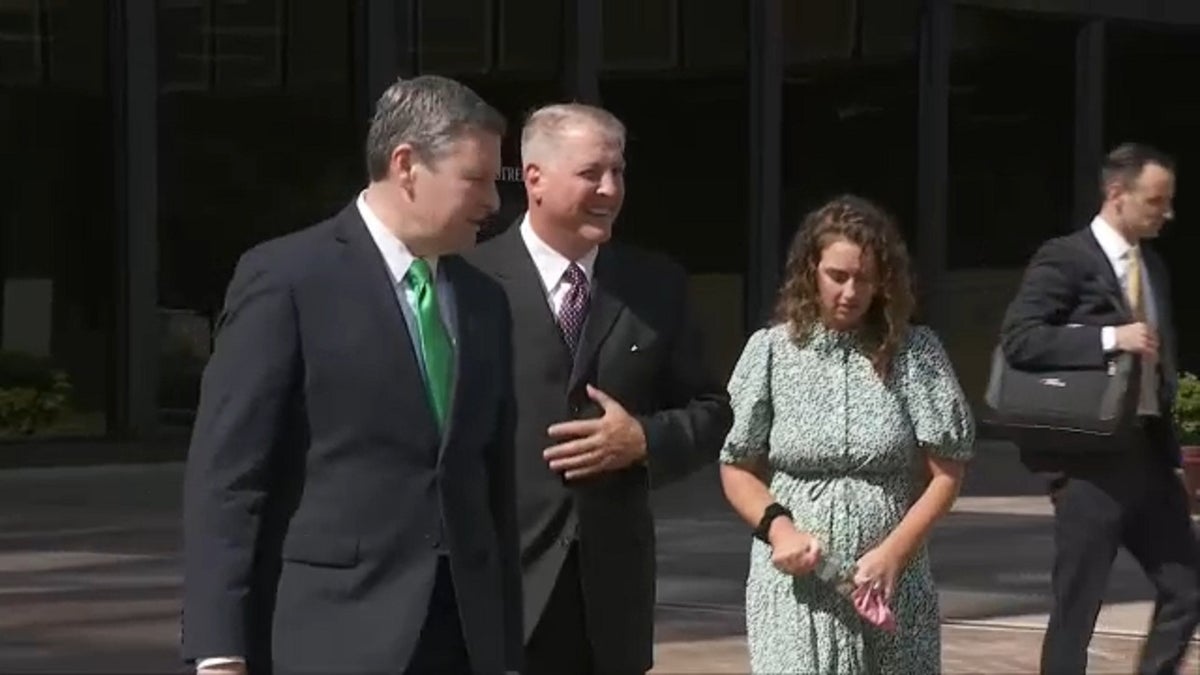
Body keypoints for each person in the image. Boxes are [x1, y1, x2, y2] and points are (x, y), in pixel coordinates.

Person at [181, 75, 522, 675]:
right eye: (476, 180)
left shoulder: (484, 301)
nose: (494, 203)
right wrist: (218, 649)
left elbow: (492, 486)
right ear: (407, 165)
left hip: (465, 639)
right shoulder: (287, 279)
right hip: (330, 636)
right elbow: (228, 479)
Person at [465, 103, 733, 675]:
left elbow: (711, 410)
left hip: (609, 604)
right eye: (591, 173)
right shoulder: (466, 282)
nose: (610, 189)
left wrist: (645, 440)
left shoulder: (655, 284)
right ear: (534, 178)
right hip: (496, 590)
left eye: (618, 173)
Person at [719, 195, 975, 674]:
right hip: (797, 586)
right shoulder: (771, 352)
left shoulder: (915, 353)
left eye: (866, 278)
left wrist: (894, 555)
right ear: (810, 270)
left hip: (894, 578)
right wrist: (780, 530)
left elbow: (947, 475)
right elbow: (736, 466)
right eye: (838, 276)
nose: (851, 292)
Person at [1000, 142, 1199, 675]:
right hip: (1087, 466)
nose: (1167, 213)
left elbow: (1160, 369)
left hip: (1148, 461)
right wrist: (1111, 336)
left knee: (1187, 590)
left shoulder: (1152, 266)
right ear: (1117, 194)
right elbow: (1020, 339)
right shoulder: (1065, 257)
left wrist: (1175, 461)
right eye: (1156, 201)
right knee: (1077, 609)